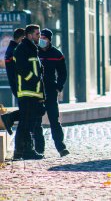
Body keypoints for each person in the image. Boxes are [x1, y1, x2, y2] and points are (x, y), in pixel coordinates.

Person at [13, 24, 46, 160]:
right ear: (29, 35)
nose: (39, 37)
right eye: (37, 34)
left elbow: (38, 72)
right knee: (25, 123)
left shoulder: (33, 49)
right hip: (27, 92)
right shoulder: (22, 49)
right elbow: (22, 69)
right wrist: (33, 80)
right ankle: (19, 151)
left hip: (34, 93)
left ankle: (27, 150)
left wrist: (41, 94)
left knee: (30, 123)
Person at [37, 28, 69, 157]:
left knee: (54, 120)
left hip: (50, 90)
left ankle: (61, 147)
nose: (42, 41)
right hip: (37, 90)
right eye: (41, 38)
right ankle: (39, 149)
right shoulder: (34, 52)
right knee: (36, 121)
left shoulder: (57, 54)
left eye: (44, 39)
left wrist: (58, 87)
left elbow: (63, 73)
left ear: (49, 40)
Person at [0, 28, 25, 135]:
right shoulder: (15, 50)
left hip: (19, 86)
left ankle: (8, 118)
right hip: (21, 87)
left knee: (29, 112)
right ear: (22, 38)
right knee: (29, 112)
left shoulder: (13, 49)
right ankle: (8, 118)